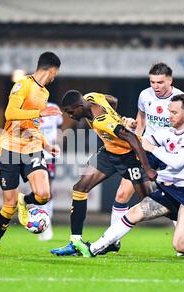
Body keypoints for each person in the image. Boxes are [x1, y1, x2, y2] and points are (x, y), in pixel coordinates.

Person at [73, 94, 184, 259]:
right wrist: (126, 126)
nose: (169, 116)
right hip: (169, 190)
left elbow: (177, 162)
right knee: (133, 213)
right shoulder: (166, 132)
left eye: (174, 112)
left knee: (180, 246)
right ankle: (93, 249)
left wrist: (153, 149)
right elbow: (141, 141)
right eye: (169, 111)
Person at [50, 90, 157, 256]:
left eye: (71, 112)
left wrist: (148, 168)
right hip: (108, 153)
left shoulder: (102, 121)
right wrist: (118, 117)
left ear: (80, 107)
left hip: (130, 157)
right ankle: (76, 241)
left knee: (150, 204)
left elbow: (133, 139)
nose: (70, 116)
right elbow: (113, 99)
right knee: (79, 188)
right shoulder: (91, 97)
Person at [110, 63, 184, 244]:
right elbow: (141, 118)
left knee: (166, 201)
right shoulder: (145, 95)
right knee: (122, 194)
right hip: (147, 152)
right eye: (152, 82)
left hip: (170, 156)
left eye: (160, 82)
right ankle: (113, 243)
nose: (155, 86)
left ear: (170, 81)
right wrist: (135, 132)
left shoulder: (181, 102)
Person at [0, 52, 62, 259]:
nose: (54, 78)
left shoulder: (44, 94)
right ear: (51, 70)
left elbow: (32, 126)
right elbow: (10, 114)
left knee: (43, 194)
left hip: (32, 148)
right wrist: (40, 113)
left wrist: (46, 145)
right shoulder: (22, 85)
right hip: (9, 149)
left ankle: (25, 200)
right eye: (55, 74)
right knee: (8, 207)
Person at [38, 102, 63, 241]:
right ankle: (43, 222)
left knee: (47, 189)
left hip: (49, 156)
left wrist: (57, 142)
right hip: (33, 153)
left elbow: (60, 125)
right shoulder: (31, 108)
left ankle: (47, 223)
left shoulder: (54, 108)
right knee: (38, 190)